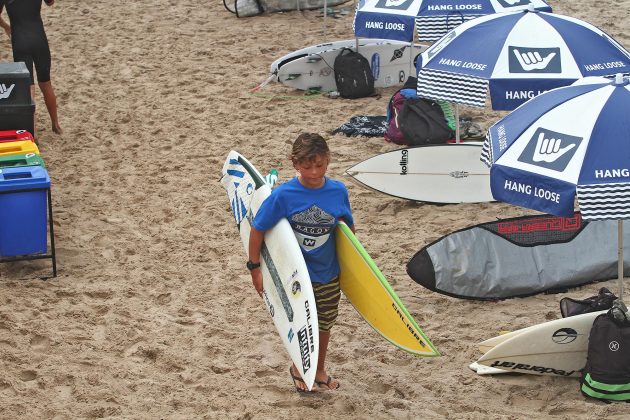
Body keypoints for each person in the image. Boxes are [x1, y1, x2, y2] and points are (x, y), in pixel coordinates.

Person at [248, 133, 355, 393]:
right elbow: (258, 229)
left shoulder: (338, 191)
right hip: (294, 275)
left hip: (327, 273)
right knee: (302, 323)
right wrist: (255, 268)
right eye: (307, 166)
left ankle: (318, 369)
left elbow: (348, 234)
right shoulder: (284, 195)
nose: (314, 172)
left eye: (320, 165)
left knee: (325, 322)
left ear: (328, 160)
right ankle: (299, 367)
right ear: (295, 163)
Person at [0, 0, 62, 134]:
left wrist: (6, 26)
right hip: (39, 40)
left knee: (29, 90)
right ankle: (56, 125)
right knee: (46, 84)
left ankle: (33, 131)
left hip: (20, 42)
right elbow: (50, 2)